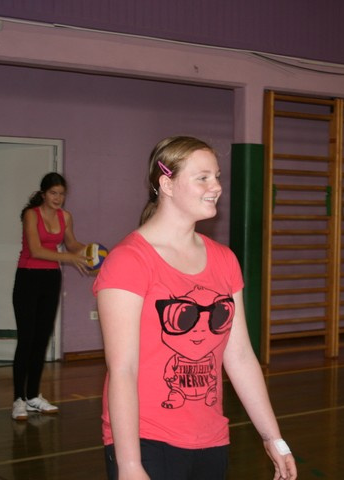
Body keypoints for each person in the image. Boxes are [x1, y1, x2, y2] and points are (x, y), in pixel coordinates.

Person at [93, 136, 298, 479]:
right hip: (147, 441)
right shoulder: (129, 261)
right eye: (202, 177)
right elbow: (122, 370)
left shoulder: (224, 260)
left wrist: (273, 438)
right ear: (167, 184)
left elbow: (240, 356)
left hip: (211, 440)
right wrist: (129, 464)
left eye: (216, 177)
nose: (216, 186)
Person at [11, 172, 89, 421]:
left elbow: (72, 244)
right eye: (53, 193)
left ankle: (33, 396)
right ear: (44, 194)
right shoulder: (31, 215)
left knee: (42, 339)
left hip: (51, 279)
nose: (58, 198)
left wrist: (91, 252)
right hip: (28, 278)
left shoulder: (65, 217)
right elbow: (36, 250)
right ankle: (18, 399)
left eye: (62, 194)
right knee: (26, 339)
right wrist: (70, 258)